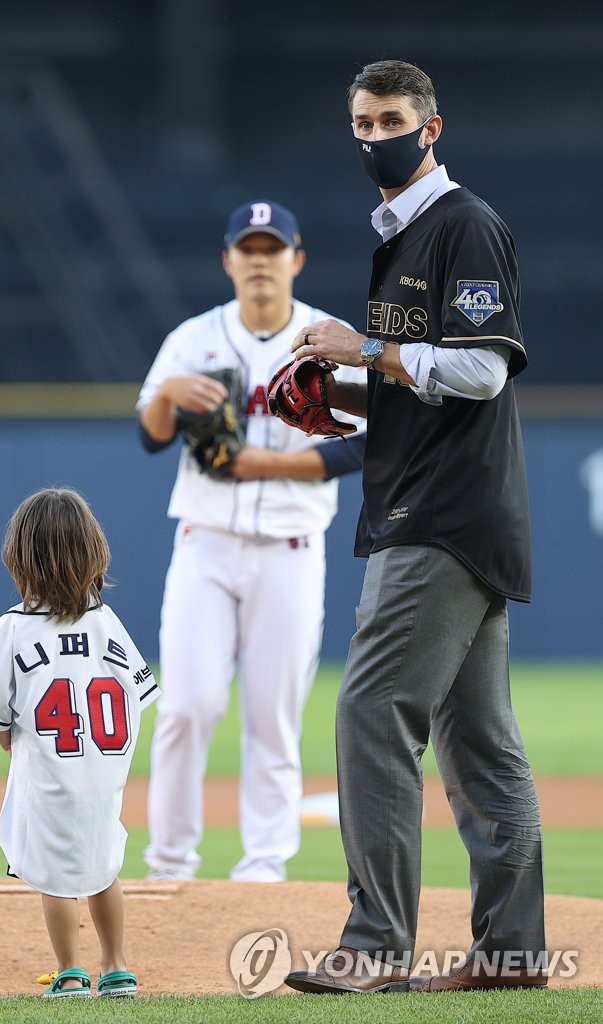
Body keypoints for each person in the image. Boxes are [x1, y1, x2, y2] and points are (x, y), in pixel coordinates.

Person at [282, 60, 547, 993]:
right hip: (445, 502)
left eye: (389, 118)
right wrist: (344, 388)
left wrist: (368, 349)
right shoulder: (400, 232)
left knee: (369, 710)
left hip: (440, 510)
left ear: (431, 128)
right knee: (476, 738)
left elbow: (482, 372)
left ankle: (374, 947)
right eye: (359, 120)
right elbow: (419, 380)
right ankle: (512, 955)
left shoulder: (461, 224)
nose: (372, 136)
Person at [136, 200, 366, 883]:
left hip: (290, 547)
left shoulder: (329, 337)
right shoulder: (191, 339)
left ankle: (264, 864)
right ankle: (169, 861)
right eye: (248, 248)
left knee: (273, 712)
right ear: (228, 261)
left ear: (295, 260)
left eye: (273, 248)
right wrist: (166, 393)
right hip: (205, 542)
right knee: (185, 705)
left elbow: (368, 445)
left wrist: (268, 465)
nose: (260, 260)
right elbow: (149, 436)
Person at [0, 488, 159, 999]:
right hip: (102, 773)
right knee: (103, 868)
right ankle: (116, 968)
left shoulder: (11, 629)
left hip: (49, 774)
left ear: (19, 558)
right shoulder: (107, 622)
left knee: (55, 878)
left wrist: (20, 750)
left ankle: (69, 970)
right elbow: (137, 695)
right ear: (94, 552)